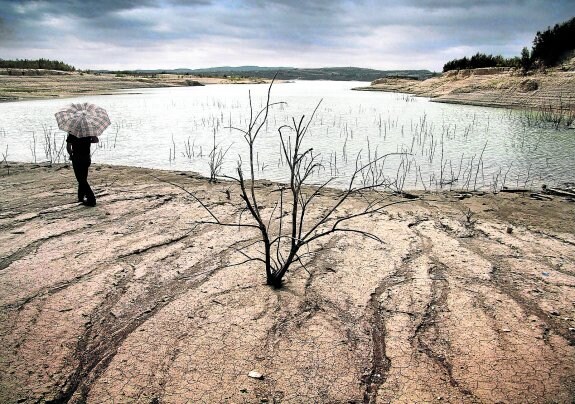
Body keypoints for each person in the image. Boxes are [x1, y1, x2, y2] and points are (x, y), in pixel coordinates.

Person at [66, 133, 98, 206]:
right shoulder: (87, 133)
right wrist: (89, 140)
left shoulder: (72, 134)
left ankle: (91, 199)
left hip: (77, 158)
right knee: (83, 178)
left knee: (81, 179)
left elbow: (68, 147)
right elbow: (96, 140)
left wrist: (71, 154)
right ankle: (81, 197)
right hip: (86, 158)